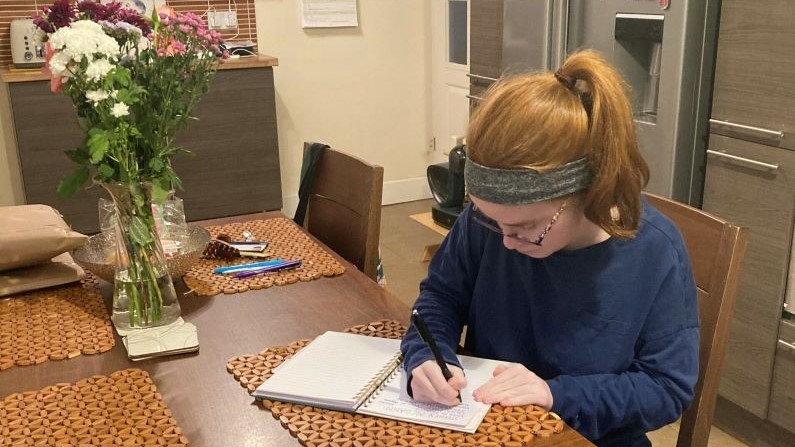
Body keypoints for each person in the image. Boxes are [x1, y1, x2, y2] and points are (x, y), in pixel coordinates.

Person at [400, 49, 699, 447]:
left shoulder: (653, 252)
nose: (505, 240)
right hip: (488, 428)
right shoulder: (486, 223)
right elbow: (440, 298)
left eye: (527, 228)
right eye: (491, 220)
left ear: (589, 192)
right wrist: (427, 355)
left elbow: (665, 389)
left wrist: (555, 394)